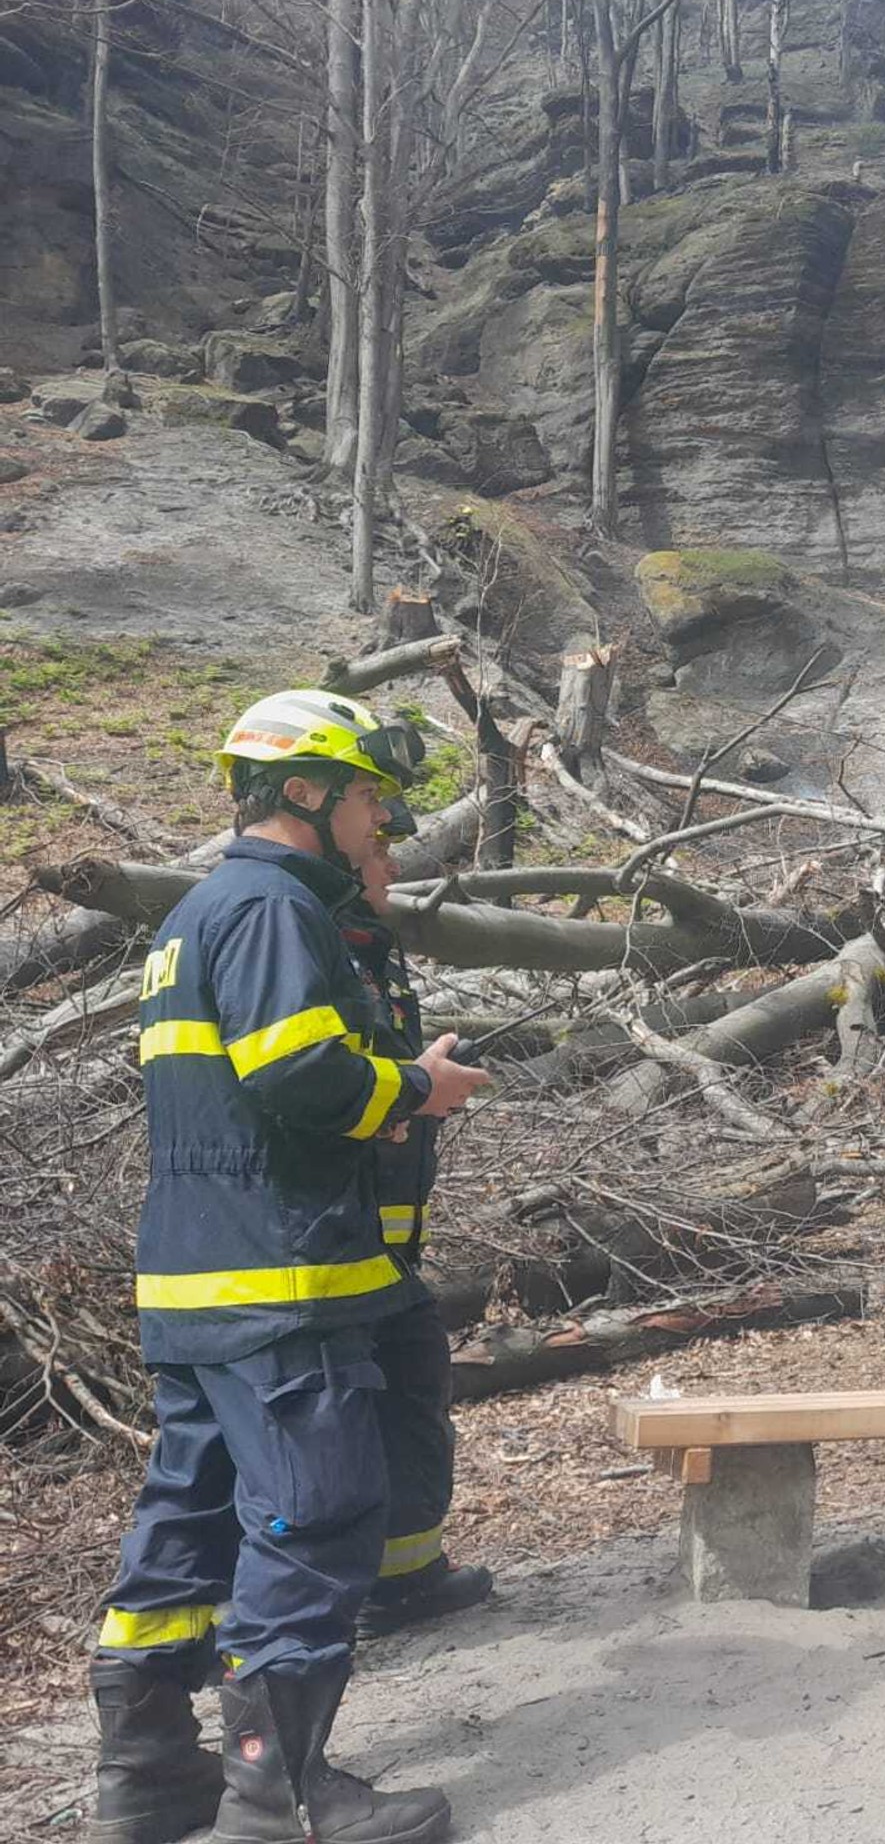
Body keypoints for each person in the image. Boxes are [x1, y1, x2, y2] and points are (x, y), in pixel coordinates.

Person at [87, 691, 487, 1844]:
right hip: (280, 1278)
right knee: (312, 1519)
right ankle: (283, 1796)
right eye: (371, 797)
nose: (382, 822)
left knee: (190, 1519)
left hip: (198, 1279)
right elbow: (304, 1077)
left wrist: (391, 1093)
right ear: (305, 792)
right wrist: (417, 1088)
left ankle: (153, 1779)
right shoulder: (269, 909)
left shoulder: (198, 915)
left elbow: (250, 1093)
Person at [343, 803, 495, 1637]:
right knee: (351, 1421)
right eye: (379, 853)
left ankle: (409, 1577)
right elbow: (320, 1086)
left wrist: (423, 1091)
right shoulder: (314, 952)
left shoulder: (375, 954)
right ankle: (341, 1600)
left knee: (413, 1393)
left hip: (388, 1242)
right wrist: (409, 1094)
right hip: (333, 1244)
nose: (392, 867)